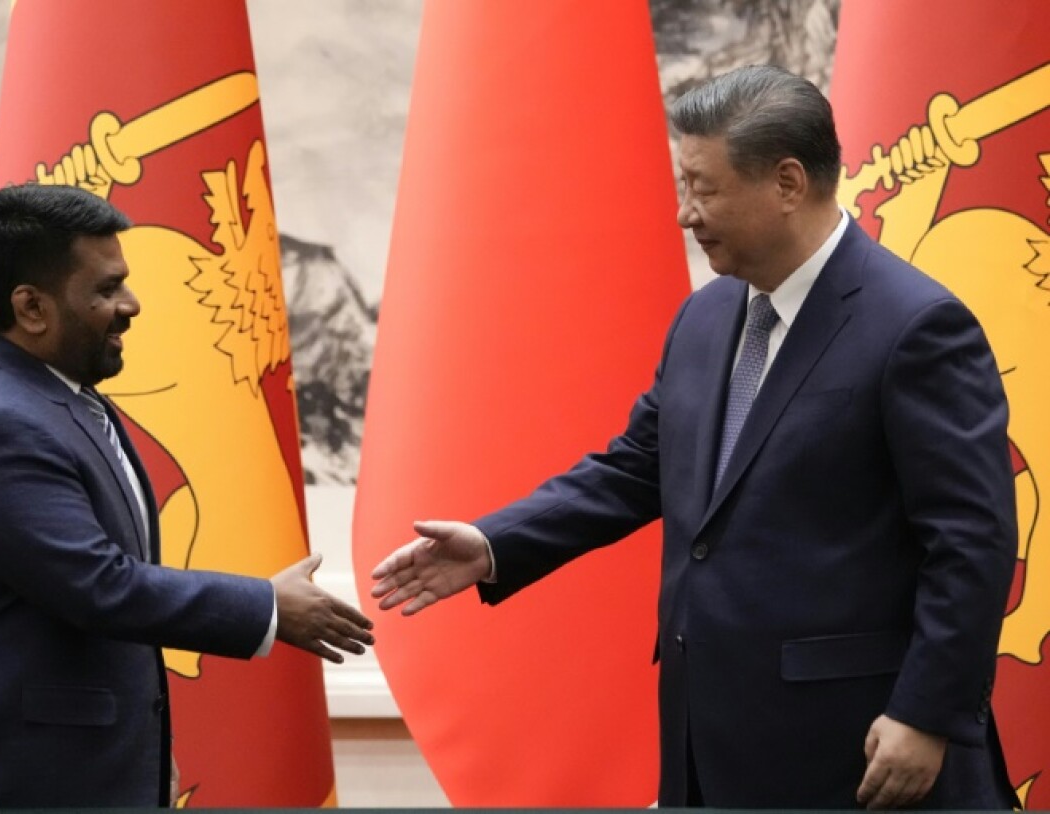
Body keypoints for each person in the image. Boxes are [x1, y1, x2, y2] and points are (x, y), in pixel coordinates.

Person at [370, 65, 1018, 810]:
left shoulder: (916, 327)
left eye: (703, 188)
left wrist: (925, 714)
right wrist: (494, 544)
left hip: (859, 748)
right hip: (707, 741)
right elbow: (637, 468)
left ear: (786, 183)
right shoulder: (706, 318)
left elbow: (971, 540)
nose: (685, 213)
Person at [0, 184, 374, 807]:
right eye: (106, 289)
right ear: (32, 308)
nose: (131, 304)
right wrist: (267, 608)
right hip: (14, 788)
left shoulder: (66, 399)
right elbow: (100, 585)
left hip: (86, 776)